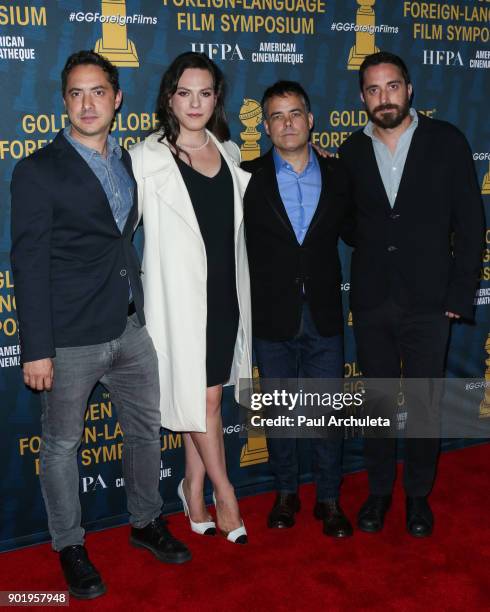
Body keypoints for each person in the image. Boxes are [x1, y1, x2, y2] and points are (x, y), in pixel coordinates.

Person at [9, 50, 191, 600]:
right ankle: (69, 545)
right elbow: (28, 262)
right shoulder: (38, 169)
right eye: (75, 93)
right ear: (64, 102)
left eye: (98, 92)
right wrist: (37, 348)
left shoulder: (131, 161)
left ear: (117, 99)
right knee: (62, 446)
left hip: (130, 327)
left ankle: (144, 522)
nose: (87, 104)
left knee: (144, 432)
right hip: (68, 339)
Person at [339, 51, 484, 537]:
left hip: (430, 300)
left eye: (392, 86)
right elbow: (351, 224)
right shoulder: (351, 151)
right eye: (374, 90)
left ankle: (418, 496)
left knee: (424, 403)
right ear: (362, 97)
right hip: (373, 298)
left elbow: (470, 225)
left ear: (409, 90)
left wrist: (458, 295)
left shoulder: (446, 141)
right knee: (378, 402)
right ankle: (379, 492)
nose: (384, 98)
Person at [130, 52, 252, 544]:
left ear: (216, 98)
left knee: (206, 398)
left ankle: (192, 488)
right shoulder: (146, 159)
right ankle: (226, 493)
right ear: (169, 97)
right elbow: (119, 230)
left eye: (205, 93)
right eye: (185, 92)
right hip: (179, 304)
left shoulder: (230, 152)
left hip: (225, 297)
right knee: (200, 398)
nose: (195, 102)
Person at [242, 81, 353, 537]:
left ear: (310, 120)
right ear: (267, 127)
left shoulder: (340, 174)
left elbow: (361, 232)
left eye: (295, 114)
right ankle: (286, 494)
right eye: (277, 116)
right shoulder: (245, 177)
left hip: (324, 314)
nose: (287, 123)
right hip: (272, 316)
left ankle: (329, 499)